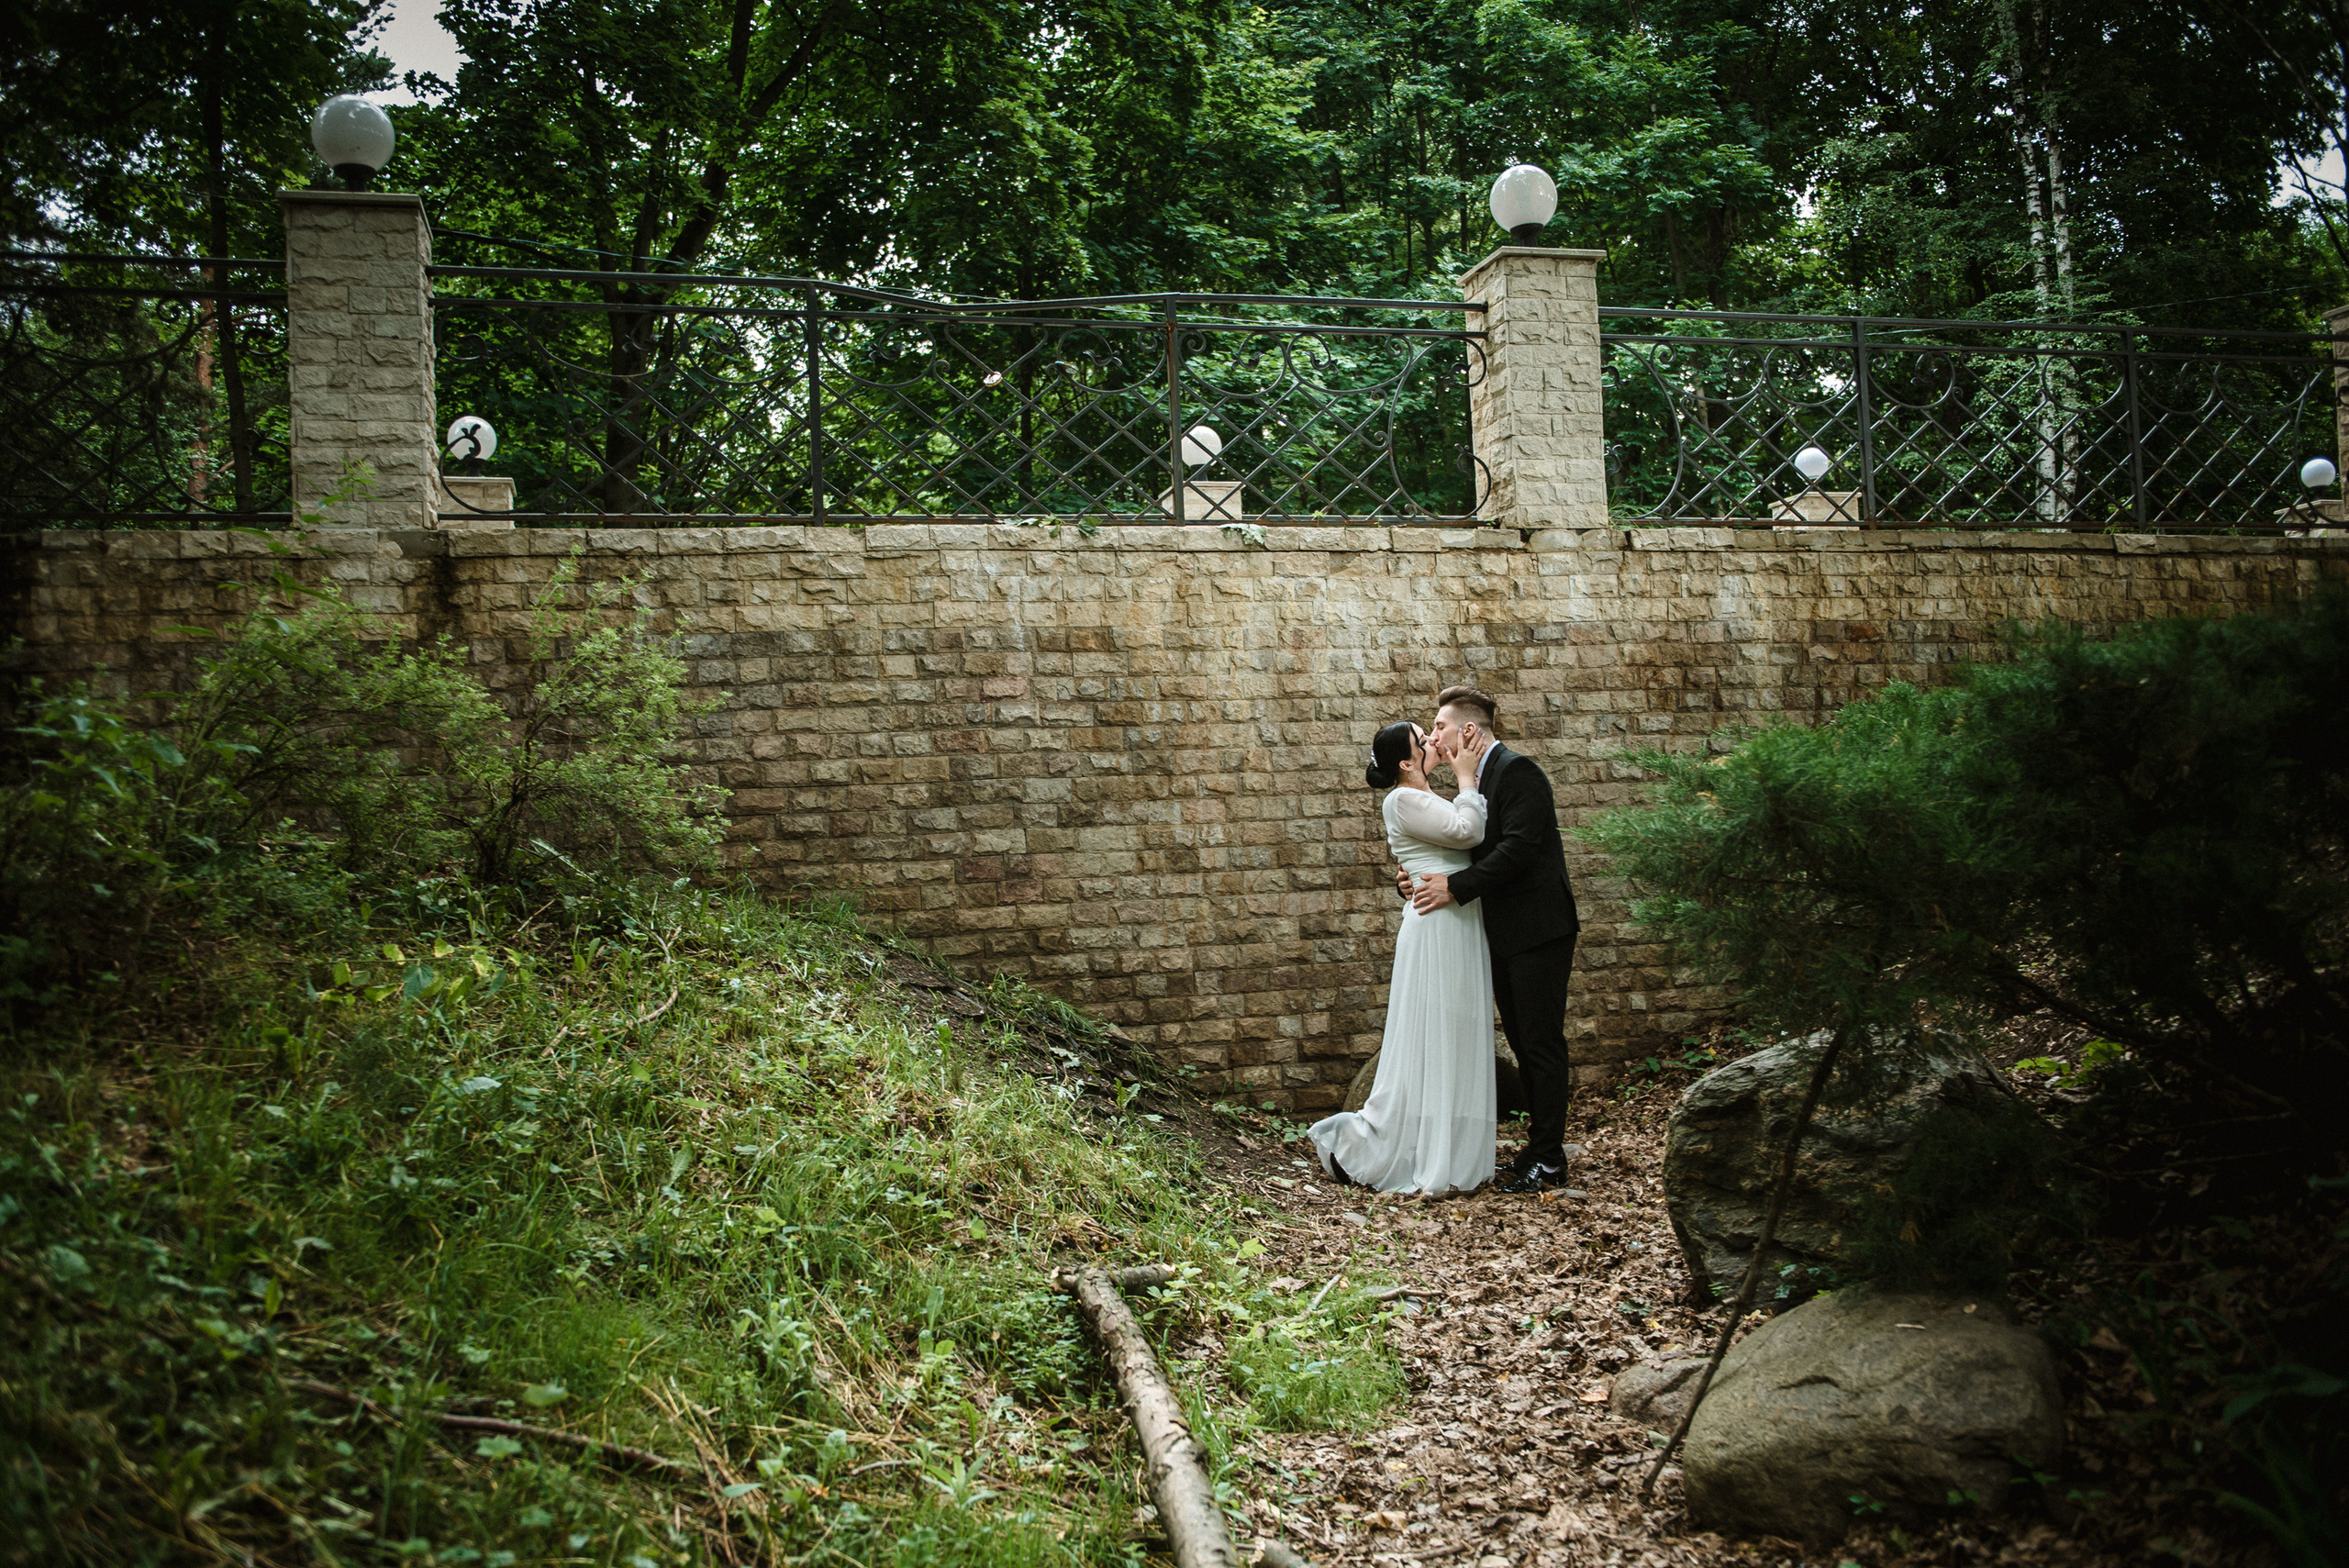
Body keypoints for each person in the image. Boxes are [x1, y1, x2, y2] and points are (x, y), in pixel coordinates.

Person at [1401, 685, 1580, 1195]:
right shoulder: (1474, 783)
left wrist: (1453, 888)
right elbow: (1466, 846)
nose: (1433, 735)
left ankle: (1548, 1161)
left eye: (1439, 726)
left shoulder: (1518, 772)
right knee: (1524, 1043)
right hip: (1501, 935)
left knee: (1541, 1045)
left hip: (1538, 931)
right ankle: (1536, 1149)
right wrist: (1419, 876)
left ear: (1469, 731)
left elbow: (1519, 850)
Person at [1309, 718, 1499, 1195]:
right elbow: (1467, 831)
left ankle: (1446, 1147)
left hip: (1453, 917)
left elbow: (1442, 852)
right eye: (1424, 738)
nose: (1434, 740)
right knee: (1433, 1029)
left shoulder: (1420, 797)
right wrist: (1466, 779)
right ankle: (1409, 1148)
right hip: (1437, 925)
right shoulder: (1404, 798)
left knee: (1452, 1028)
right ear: (1406, 759)